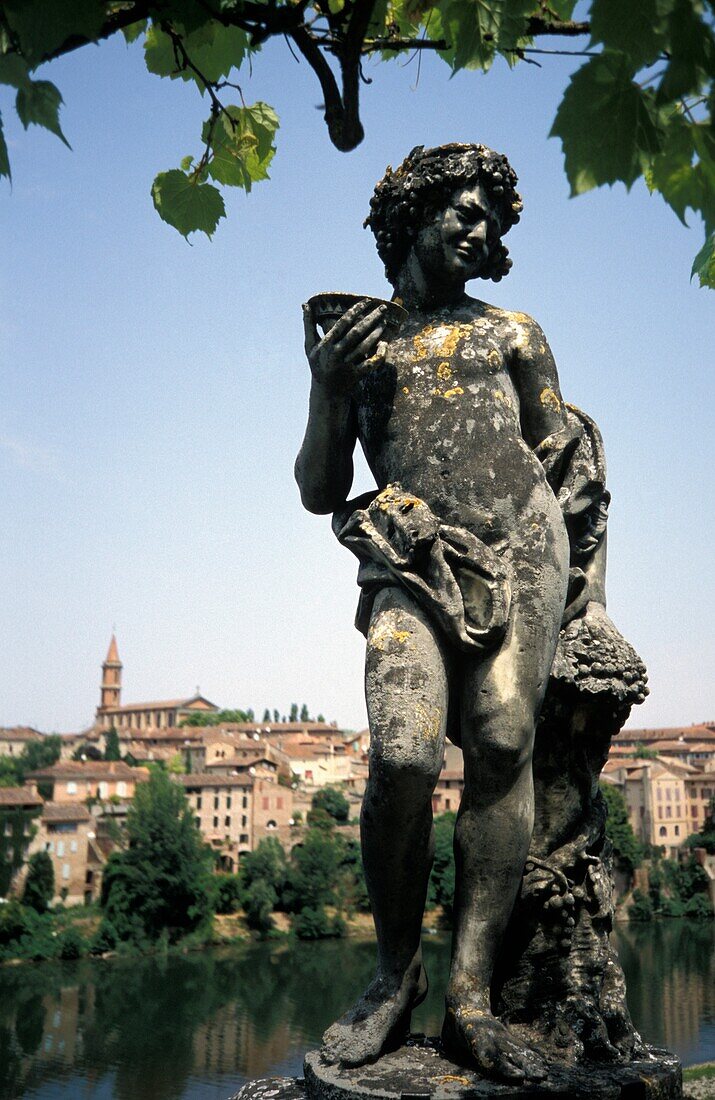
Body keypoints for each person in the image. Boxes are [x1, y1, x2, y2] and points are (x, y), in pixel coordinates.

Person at [295, 143, 582, 1084]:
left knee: (500, 743)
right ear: (408, 219)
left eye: (489, 218)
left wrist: (592, 594)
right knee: (406, 752)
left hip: (519, 543)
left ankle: (469, 995)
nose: (479, 228)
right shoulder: (359, 343)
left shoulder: (512, 334)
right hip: (409, 555)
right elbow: (317, 487)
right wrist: (327, 388)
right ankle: (393, 975)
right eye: (460, 210)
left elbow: (567, 463)